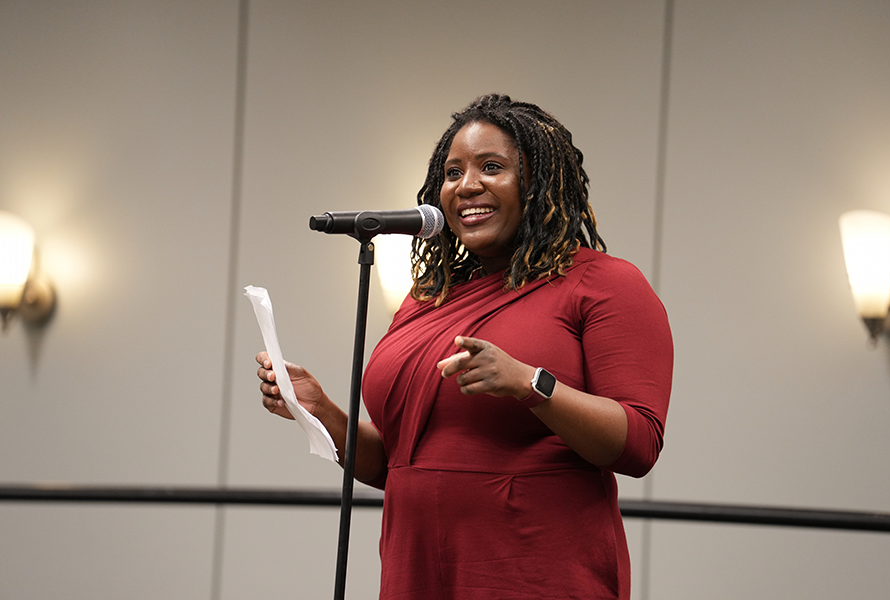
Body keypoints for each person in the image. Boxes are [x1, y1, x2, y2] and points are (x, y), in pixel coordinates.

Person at [256, 94, 673, 599]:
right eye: (452, 173)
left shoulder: (605, 284)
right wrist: (320, 410)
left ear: (538, 183)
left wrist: (529, 384)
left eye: (492, 167)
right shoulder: (427, 298)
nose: (467, 185)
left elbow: (639, 444)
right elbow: (402, 462)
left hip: (534, 573)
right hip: (418, 567)